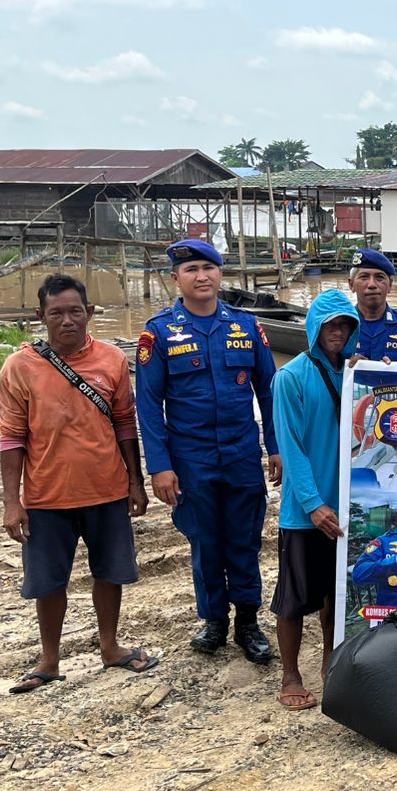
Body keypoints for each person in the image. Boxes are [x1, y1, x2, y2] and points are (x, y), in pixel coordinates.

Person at [0, 275, 156, 692]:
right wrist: (12, 503)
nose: (67, 321)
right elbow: (12, 437)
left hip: (107, 490)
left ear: (89, 313)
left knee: (110, 573)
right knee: (48, 581)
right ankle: (49, 660)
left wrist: (135, 483)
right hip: (46, 496)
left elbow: (125, 424)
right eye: (56, 313)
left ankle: (110, 647)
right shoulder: (19, 367)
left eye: (75, 311)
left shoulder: (112, 360)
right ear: (41, 317)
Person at [136, 238, 280, 663]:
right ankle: (214, 620)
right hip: (191, 458)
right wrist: (159, 467)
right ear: (176, 278)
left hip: (241, 454)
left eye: (208, 268)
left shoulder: (246, 326)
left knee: (244, 540)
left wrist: (275, 447)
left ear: (221, 274)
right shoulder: (159, 332)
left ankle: (248, 622)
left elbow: (270, 393)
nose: (201, 276)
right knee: (205, 542)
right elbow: (148, 404)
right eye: (191, 270)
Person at [270, 289, 359, 711]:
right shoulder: (290, 377)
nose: (338, 332)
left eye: (345, 324)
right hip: (305, 512)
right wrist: (312, 503)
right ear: (314, 328)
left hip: (346, 506)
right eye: (330, 324)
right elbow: (291, 447)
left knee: (333, 597)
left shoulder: (358, 375)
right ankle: (290, 673)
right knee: (292, 599)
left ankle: (330, 663)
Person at [347, 248, 397, 362]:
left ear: (390, 285)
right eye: (364, 277)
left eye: (379, 277)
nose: (372, 284)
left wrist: (393, 371)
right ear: (351, 284)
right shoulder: (340, 325)